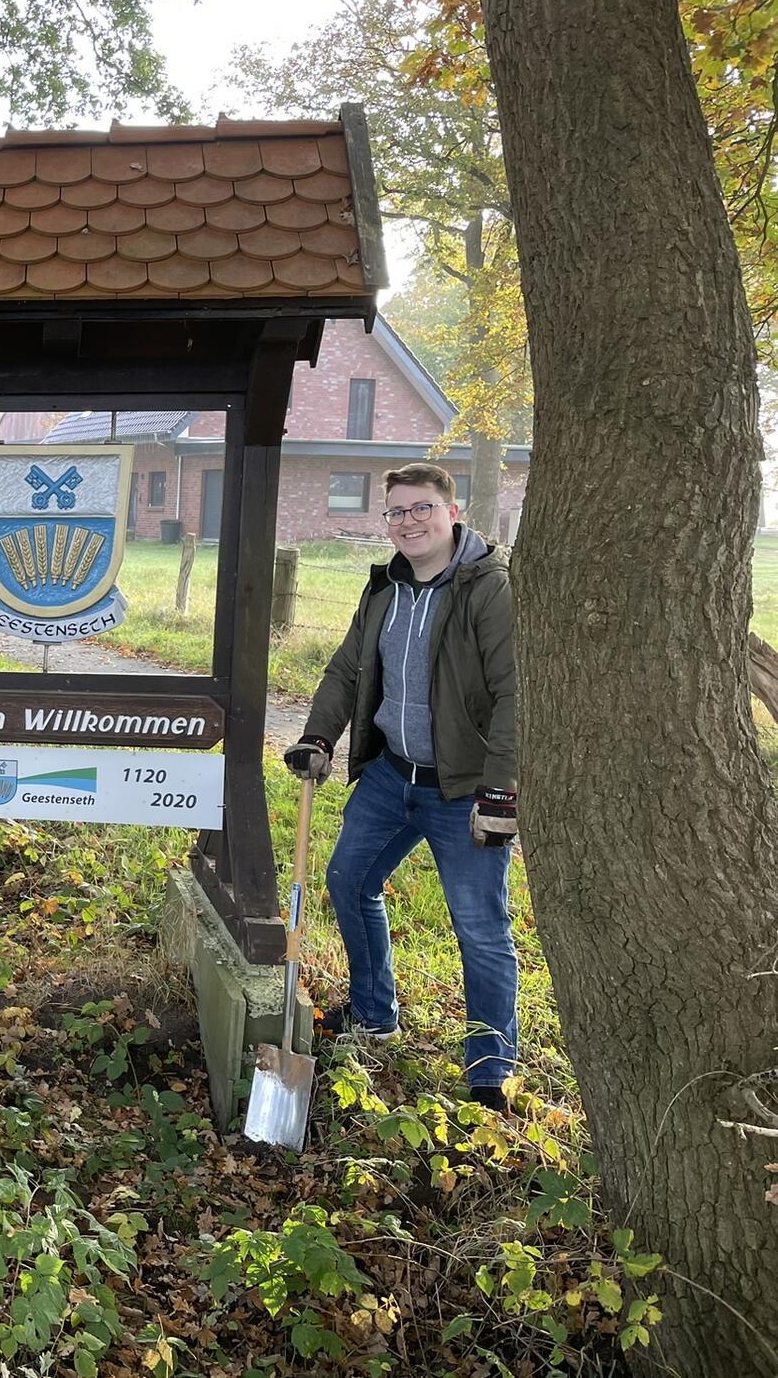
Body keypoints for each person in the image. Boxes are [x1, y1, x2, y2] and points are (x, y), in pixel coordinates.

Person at [282, 462, 520, 1111]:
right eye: (396, 512)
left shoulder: (487, 588)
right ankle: (373, 1013)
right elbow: (346, 668)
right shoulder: (385, 588)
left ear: (452, 511)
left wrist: (500, 793)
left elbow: (513, 694)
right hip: (392, 774)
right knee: (348, 880)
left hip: (462, 787)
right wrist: (318, 737)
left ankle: (490, 1072)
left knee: (480, 927)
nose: (409, 522)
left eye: (421, 508)